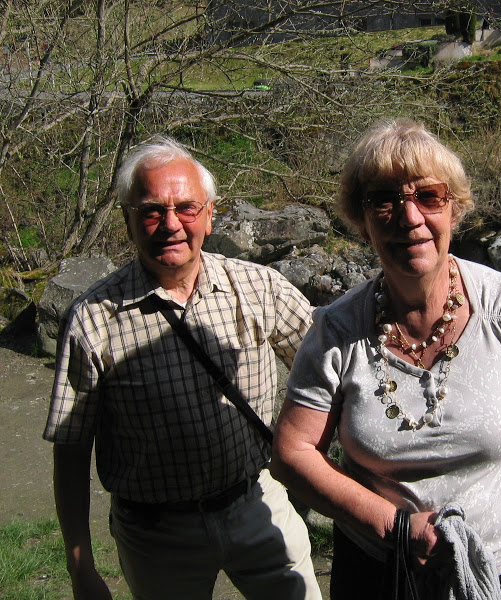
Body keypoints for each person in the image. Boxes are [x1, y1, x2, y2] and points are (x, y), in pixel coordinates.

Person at [270, 119, 501, 600]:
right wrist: (394, 525)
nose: (410, 217)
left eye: (429, 196)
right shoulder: (336, 333)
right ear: (362, 219)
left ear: (455, 208)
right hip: (381, 572)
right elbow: (292, 453)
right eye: (384, 200)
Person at [43, 136, 322, 600]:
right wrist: (81, 568)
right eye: (152, 210)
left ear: (209, 215)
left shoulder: (259, 288)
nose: (171, 224)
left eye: (187, 208)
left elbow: (330, 371)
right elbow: (71, 452)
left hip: (258, 502)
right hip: (157, 536)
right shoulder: (92, 319)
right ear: (128, 219)